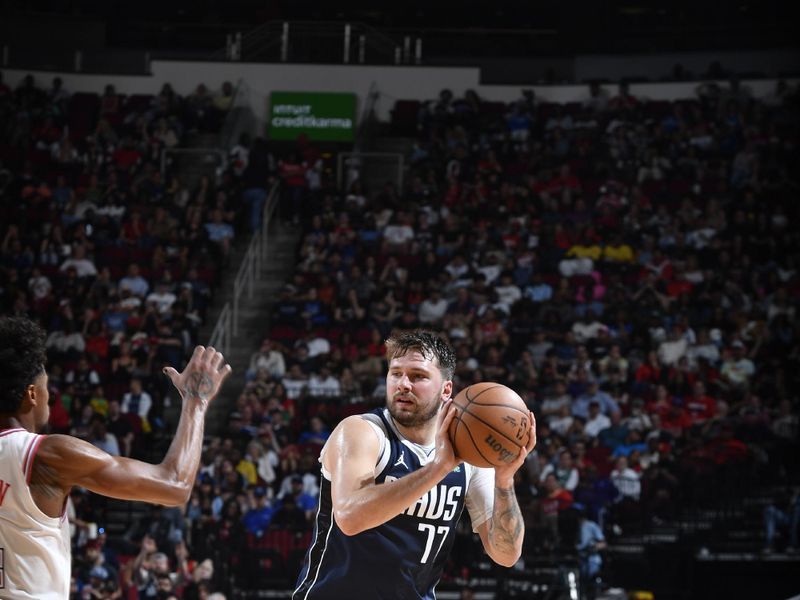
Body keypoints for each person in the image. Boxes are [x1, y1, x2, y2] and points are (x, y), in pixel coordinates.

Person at [292, 330, 536, 600]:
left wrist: (504, 480)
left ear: (446, 389)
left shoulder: (470, 457)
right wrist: (438, 469)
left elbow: (506, 554)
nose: (403, 384)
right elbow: (349, 518)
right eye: (396, 373)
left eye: (418, 376)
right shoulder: (361, 432)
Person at [0, 316, 232, 599]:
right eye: (47, 387)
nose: (51, 396)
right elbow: (175, 485)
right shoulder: (47, 454)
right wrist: (195, 402)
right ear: (33, 394)